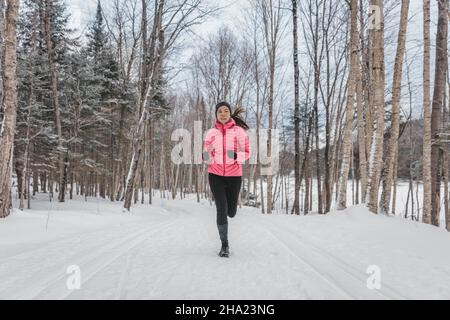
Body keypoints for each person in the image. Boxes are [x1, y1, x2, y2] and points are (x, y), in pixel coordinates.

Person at [203, 101, 251, 258]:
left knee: (231, 212)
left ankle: (232, 211)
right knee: (221, 209)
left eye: (225, 111)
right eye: (219, 112)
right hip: (215, 175)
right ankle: (224, 245)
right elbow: (205, 152)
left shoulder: (239, 132)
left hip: (234, 176)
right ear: (216, 115)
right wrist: (206, 156)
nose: (222, 114)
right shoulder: (211, 133)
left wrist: (237, 156)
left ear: (230, 114)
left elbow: (248, 152)